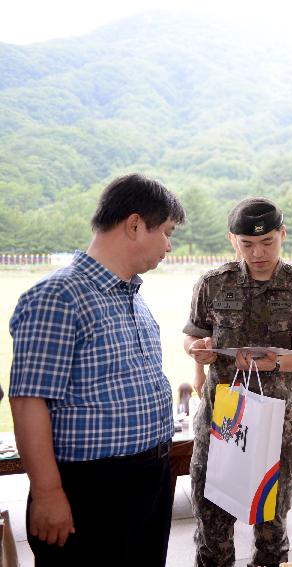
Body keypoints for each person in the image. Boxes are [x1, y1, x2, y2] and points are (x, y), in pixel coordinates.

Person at [9, 173, 185, 566]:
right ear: (136, 225)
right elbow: (28, 401)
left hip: (148, 476)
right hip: (91, 487)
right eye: (168, 232)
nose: (170, 246)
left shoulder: (132, 298)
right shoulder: (58, 296)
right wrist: (49, 492)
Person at [183, 197, 292, 567]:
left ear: (282, 234)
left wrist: (275, 362)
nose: (258, 252)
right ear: (233, 240)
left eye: (267, 243)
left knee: (271, 526)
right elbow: (192, 337)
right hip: (221, 421)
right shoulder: (214, 284)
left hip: (275, 424)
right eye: (247, 244)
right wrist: (197, 349)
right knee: (212, 525)